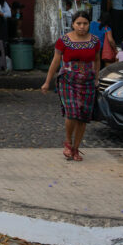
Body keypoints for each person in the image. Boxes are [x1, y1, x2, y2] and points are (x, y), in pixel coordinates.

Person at [41, 10, 101, 161]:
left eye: (85, 24)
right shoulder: (64, 41)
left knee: (83, 116)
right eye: (78, 23)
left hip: (88, 81)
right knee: (72, 112)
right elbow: (55, 61)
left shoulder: (95, 41)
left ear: (89, 25)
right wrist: (47, 82)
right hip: (68, 80)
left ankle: (76, 148)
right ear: (73, 24)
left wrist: (96, 78)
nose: (82, 27)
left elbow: (97, 60)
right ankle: (68, 142)